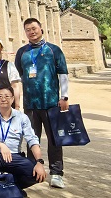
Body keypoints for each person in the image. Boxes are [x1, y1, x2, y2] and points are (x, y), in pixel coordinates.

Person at [15, 17, 69, 189]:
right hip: (30, 104)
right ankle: (32, 169)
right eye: (28, 29)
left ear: (41, 29)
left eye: (34, 28)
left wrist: (64, 97)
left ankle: (56, 173)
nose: (31, 32)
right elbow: (20, 74)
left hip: (51, 102)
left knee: (54, 139)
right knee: (32, 138)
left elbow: (63, 74)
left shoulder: (54, 50)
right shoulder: (22, 52)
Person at [0, 85, 46, 197]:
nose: (3, 99)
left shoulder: (22, 117)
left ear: (13, 99)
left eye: (7, 96)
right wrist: (0, 145)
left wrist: (39, 162)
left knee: (36, 174)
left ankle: (13, 187)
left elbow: (32, 140)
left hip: (14, 157)